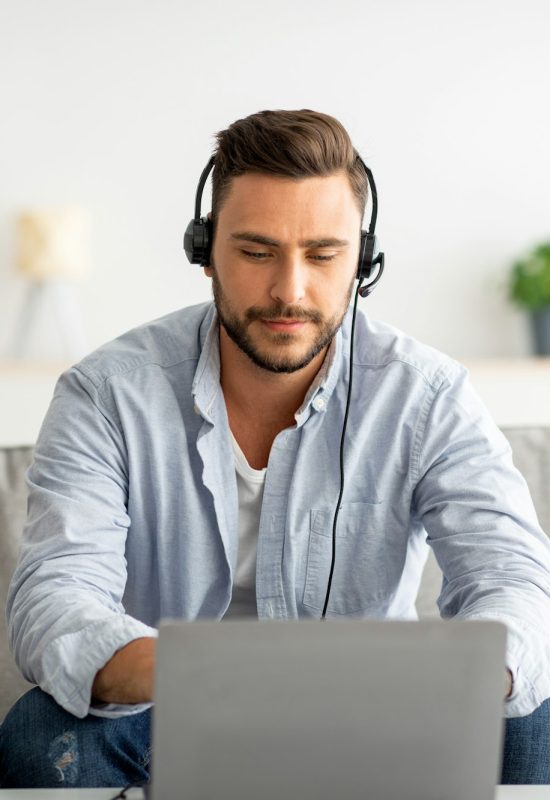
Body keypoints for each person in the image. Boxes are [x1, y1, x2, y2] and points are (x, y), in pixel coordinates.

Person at [2, 109, 550, 788]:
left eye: (323, 255)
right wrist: (216, 673)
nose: (290, 290)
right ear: (205, 252)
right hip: (169, 705)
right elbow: (55, 599)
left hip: (379, 705)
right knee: (39, 735)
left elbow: (515, 579)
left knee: (532, 715)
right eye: (257, 252)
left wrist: (465, 675)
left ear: (364, 260)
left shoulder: (428, 395)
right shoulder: (106, 394)